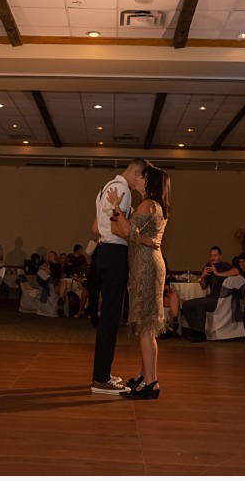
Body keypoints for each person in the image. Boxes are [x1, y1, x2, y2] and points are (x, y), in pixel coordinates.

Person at [106, 164, 170, 400]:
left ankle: (151, 382)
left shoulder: (148, 204)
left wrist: (114, 206)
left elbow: (125, 230)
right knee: (148, 326)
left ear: (150, 183)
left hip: (145, 267)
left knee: (145, 326)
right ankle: (146, 375)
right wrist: (143, 237)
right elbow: (137, 232)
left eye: (143, 178)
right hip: (149, 263)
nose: (138, 180)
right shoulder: (154, 205)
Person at [89, 158, 150, 395]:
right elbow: (119, 229)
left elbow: (96, 227)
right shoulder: (123, 189)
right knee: (111, 319)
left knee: (109, 317)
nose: (140, 184)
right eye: (142, 179)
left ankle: (101, 373)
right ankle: (101, 379)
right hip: (114, 254)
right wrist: (140, 238)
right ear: (136, 173)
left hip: (103, 252)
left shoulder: (105, 187)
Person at [179, 246, 241, 343]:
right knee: (186, 305)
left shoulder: (224, 266)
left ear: (220, 256)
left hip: (221, 298)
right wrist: (203, 277)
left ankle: (200, 334)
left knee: (201, 304)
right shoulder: (208, 268)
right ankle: (197, 330)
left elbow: (237, 271)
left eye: (215, 255)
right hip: (211, 297)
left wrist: (218, 274)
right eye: (211, 255)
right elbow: (203, 287)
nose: (213, 257)